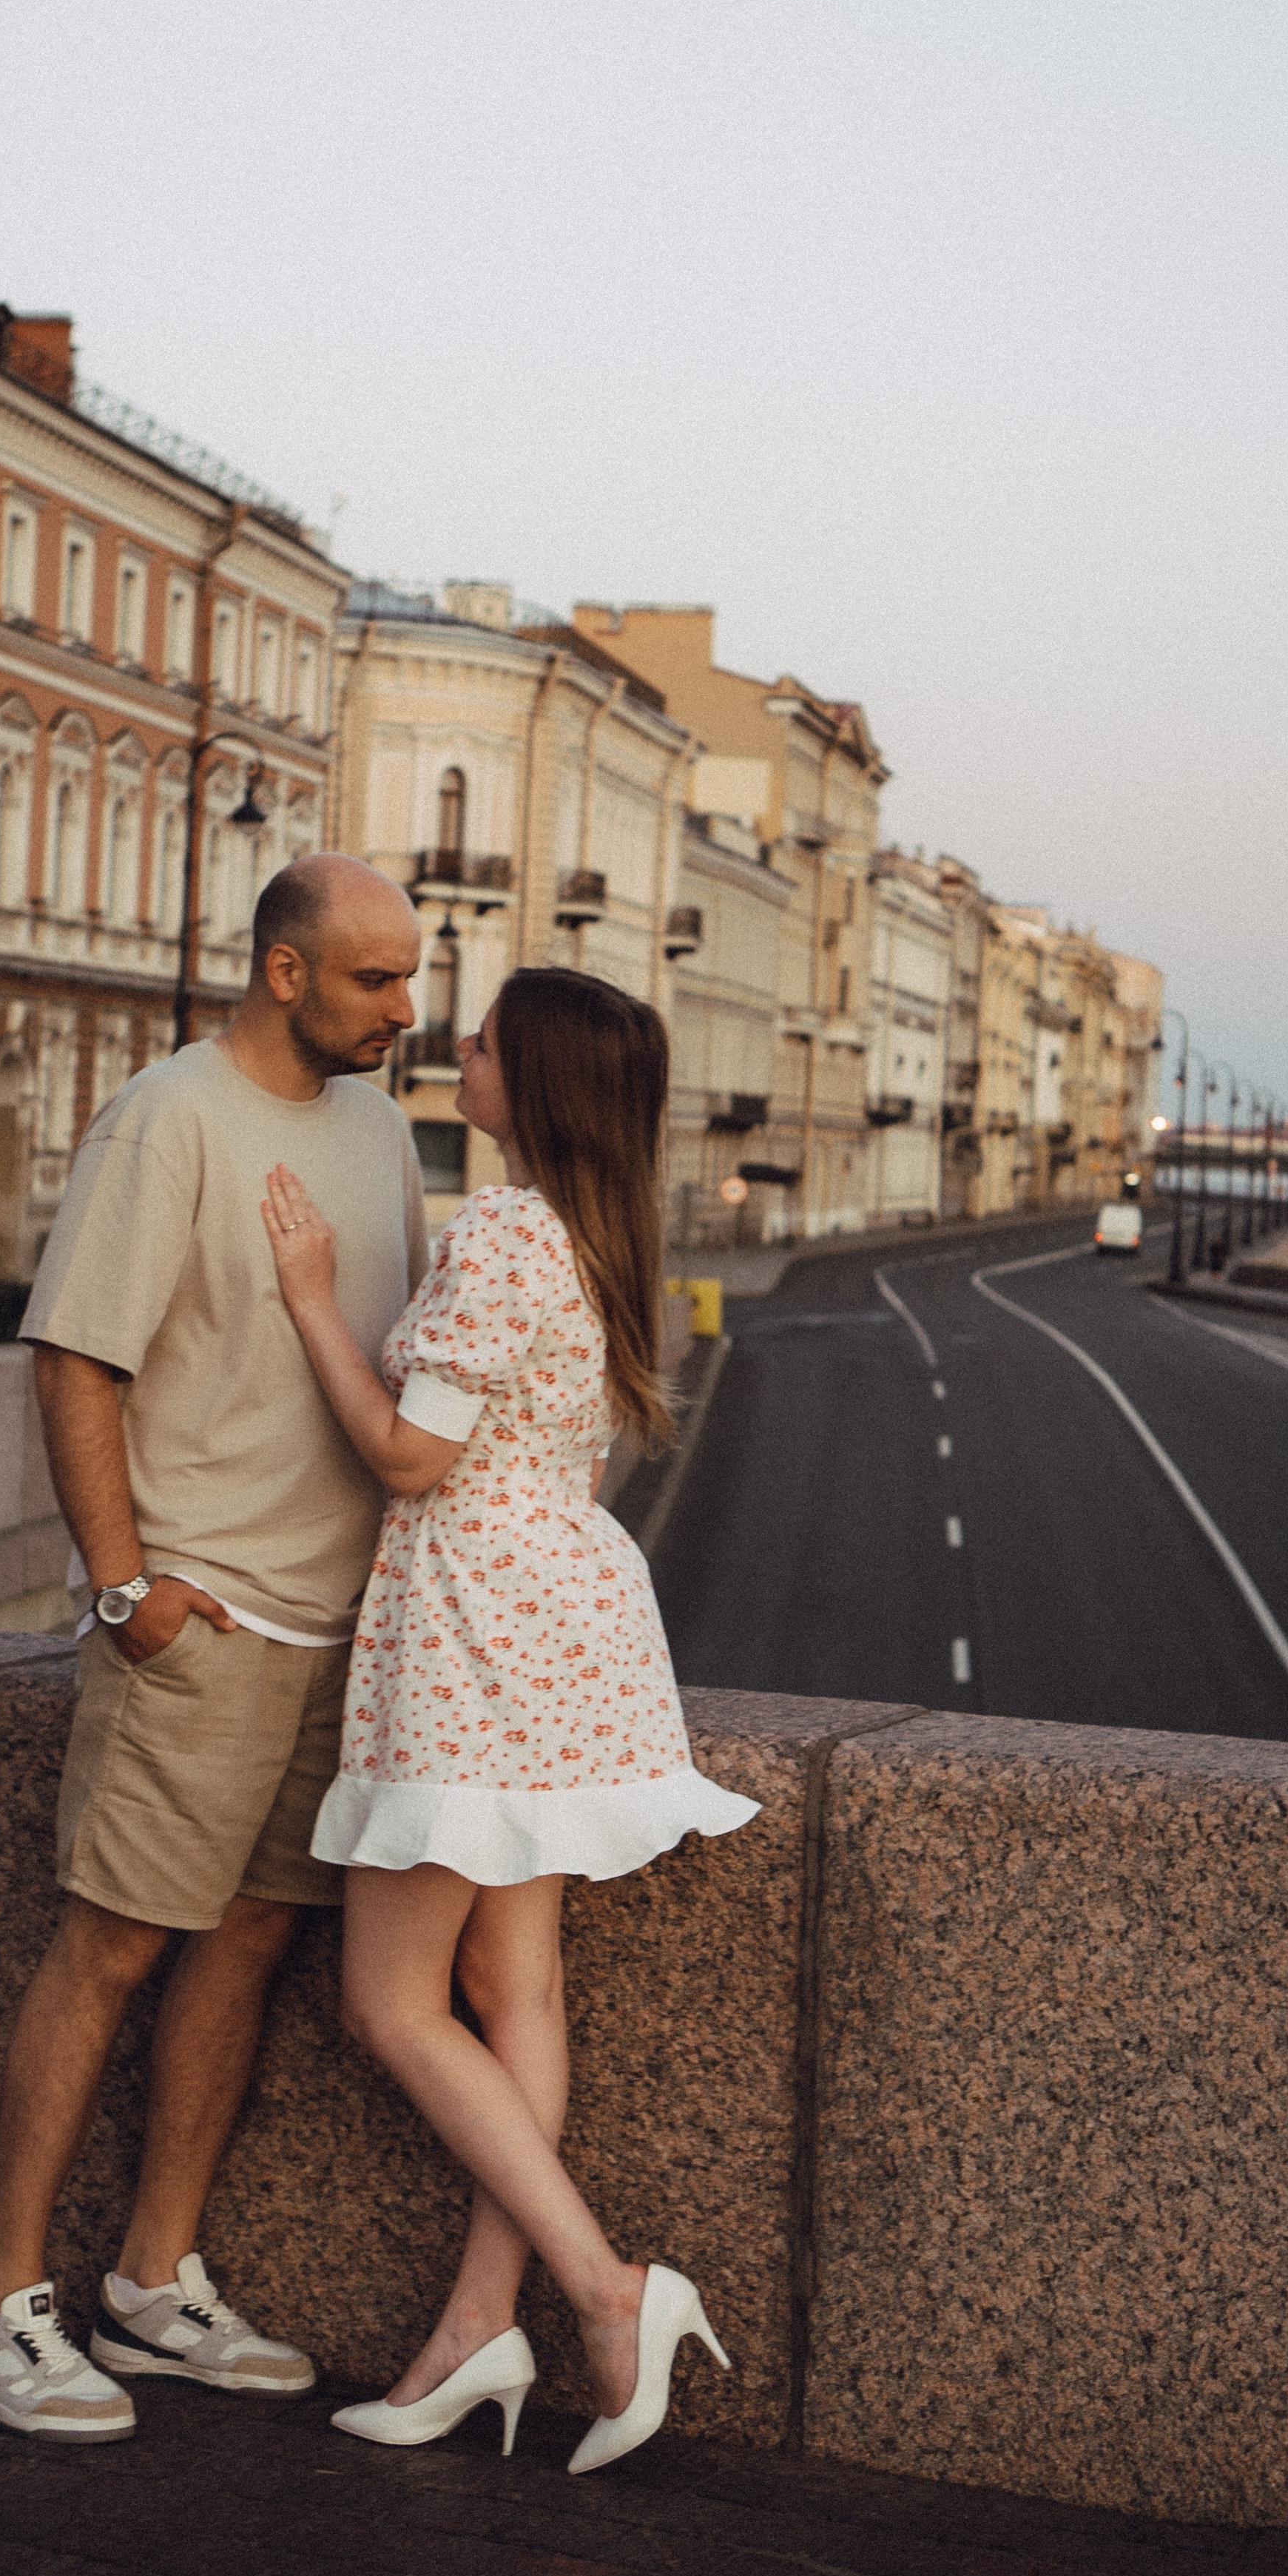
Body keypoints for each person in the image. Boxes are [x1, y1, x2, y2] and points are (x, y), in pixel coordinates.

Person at [0, 855, 428, 2441]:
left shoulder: (375, 1127)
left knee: (249, 1944)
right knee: (113, 1945)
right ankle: (0, 2306)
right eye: (372, 981)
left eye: (409, 978)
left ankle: (153, 2285)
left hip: (336, 1618)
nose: (402, 1012)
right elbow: (76, 1356)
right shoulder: (167, 1118)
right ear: (285, 973)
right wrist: (120, 1585)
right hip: (200, 1614)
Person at [260, 965, 758, 2477]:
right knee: (512, 1985)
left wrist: (306, 1303)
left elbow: (411, 1460)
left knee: (392, 2003)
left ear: (527, 1081)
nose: (453, 1051)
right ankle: (481, 2324)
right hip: (571, 1624)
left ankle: (607, 2289)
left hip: (473, 1631)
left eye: (477, 1042)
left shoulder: (502, 1230)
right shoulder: (601, 1236)